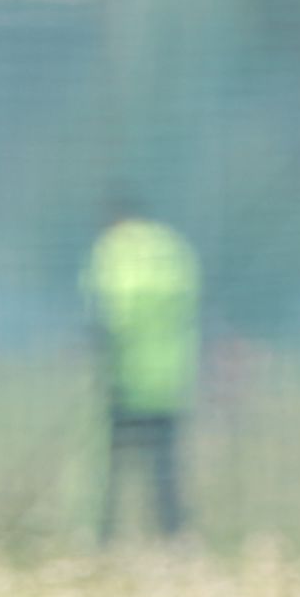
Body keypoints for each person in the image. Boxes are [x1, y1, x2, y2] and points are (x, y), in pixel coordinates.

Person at [84, 192, 198, 542]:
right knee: (164, 467)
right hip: (169, 377)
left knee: (109, 467)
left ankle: (102, 536)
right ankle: (173, 535)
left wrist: (97, 348)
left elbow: (110, 311)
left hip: (122, 376)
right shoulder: (172, 247)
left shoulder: (113, 249)